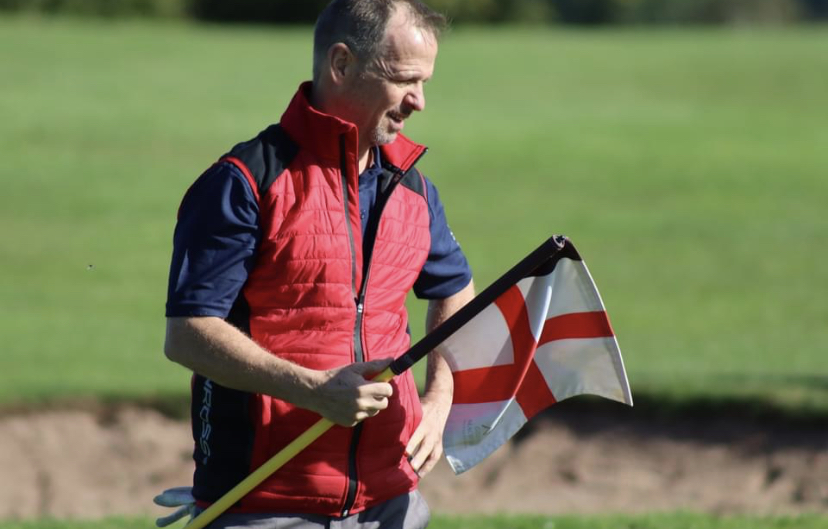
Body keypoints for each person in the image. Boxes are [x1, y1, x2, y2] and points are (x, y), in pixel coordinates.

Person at [163, 0, 475, 527]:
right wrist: (313, 391)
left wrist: (440, 397)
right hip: (264, 501)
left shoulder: (414, 189)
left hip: (392, 501)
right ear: (341, 64)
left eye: (424, 82)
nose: (419, 101)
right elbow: (188, 335)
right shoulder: (245, 182)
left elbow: (456, 291)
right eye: (404, 79)